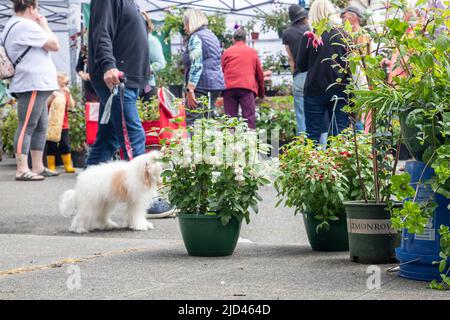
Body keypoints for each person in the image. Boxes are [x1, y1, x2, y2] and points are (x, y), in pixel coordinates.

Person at [1, 0, 60, 181]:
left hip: (35, 83)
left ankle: (37, 166)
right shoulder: (25, 25)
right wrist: (45, 25)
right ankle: (22, 169)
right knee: (27, 125)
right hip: (32, 82)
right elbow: (54, 45)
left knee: (40, 126)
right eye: (37, 8)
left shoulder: (13, 24)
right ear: (31, 7)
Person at [86, 0, 150, 166]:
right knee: (133, 137)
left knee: (107, 140)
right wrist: (108, 65)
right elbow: (101, 32)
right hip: (117, 79)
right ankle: (139, 191)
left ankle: (85, 191)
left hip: (126, 79)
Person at [297, 0, 350, 143]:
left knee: (313, 134)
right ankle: (339, 164)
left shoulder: (309, 36)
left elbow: (301, 66)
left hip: (314, 89)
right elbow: (351, 64)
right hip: (340, 89)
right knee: (339, 133)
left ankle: (312, 164)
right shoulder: (343, 35)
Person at [182, 9, 225, 126]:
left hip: (200, 85)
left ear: (190, 22)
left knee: (194, 123)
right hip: (215, 84)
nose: (184, 28)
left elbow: (196, 64)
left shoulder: (196, 37)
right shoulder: (211, 36)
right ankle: (207, 145)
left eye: (185, 24)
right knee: (207, 121)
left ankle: (196, 145)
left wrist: (190, 89)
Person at [221, 28, 265, 129]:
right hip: (246, 88)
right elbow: (260, 75)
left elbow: (222, 70)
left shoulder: (227, 52)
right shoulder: (252, 52)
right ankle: (249, 143)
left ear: (233, 39)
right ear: (245, 39)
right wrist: (261, 93)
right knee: (249, 119)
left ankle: (231, 143)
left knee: (230, 120)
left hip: (229, 89)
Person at [282, 4, 310, 135]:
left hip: (299, 75)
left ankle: (304, 150)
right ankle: (323, 150)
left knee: (301, 115)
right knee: (320, 115)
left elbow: (291, 59)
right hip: (314, 75)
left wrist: (295, 75)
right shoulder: (311, 29)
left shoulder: (287, 33)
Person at [45, 72, 76, 174]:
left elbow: (72, 106)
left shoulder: (66, 92)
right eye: (64, 82)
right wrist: (52, 96)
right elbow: (45, 105)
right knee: (51, 145)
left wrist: (69, 93)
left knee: (65, 145)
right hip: (52, 124)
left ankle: (68, 165)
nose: (65, 84)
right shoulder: (51, 91)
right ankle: (51, 166)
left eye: (66, 82)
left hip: (64, 124)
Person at [141, 12, 166, 102]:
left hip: (147, 86)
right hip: (136, 85)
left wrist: (145, 70)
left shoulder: (151, 40)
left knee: (147, 113)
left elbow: (161, 63)